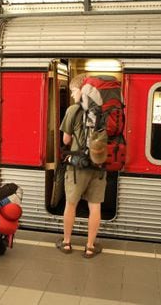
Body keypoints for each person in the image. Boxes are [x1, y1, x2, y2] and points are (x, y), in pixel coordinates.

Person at [56, 73, 106, 258]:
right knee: (95, 206)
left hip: (78, 166)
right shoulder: (104, 110)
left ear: (82, 89)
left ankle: (67, 243)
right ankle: (90, 246)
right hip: (99, 165)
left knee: (71, 204)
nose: (72, 95)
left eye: (73, 91)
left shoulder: (73, 110)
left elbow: (66, 139)